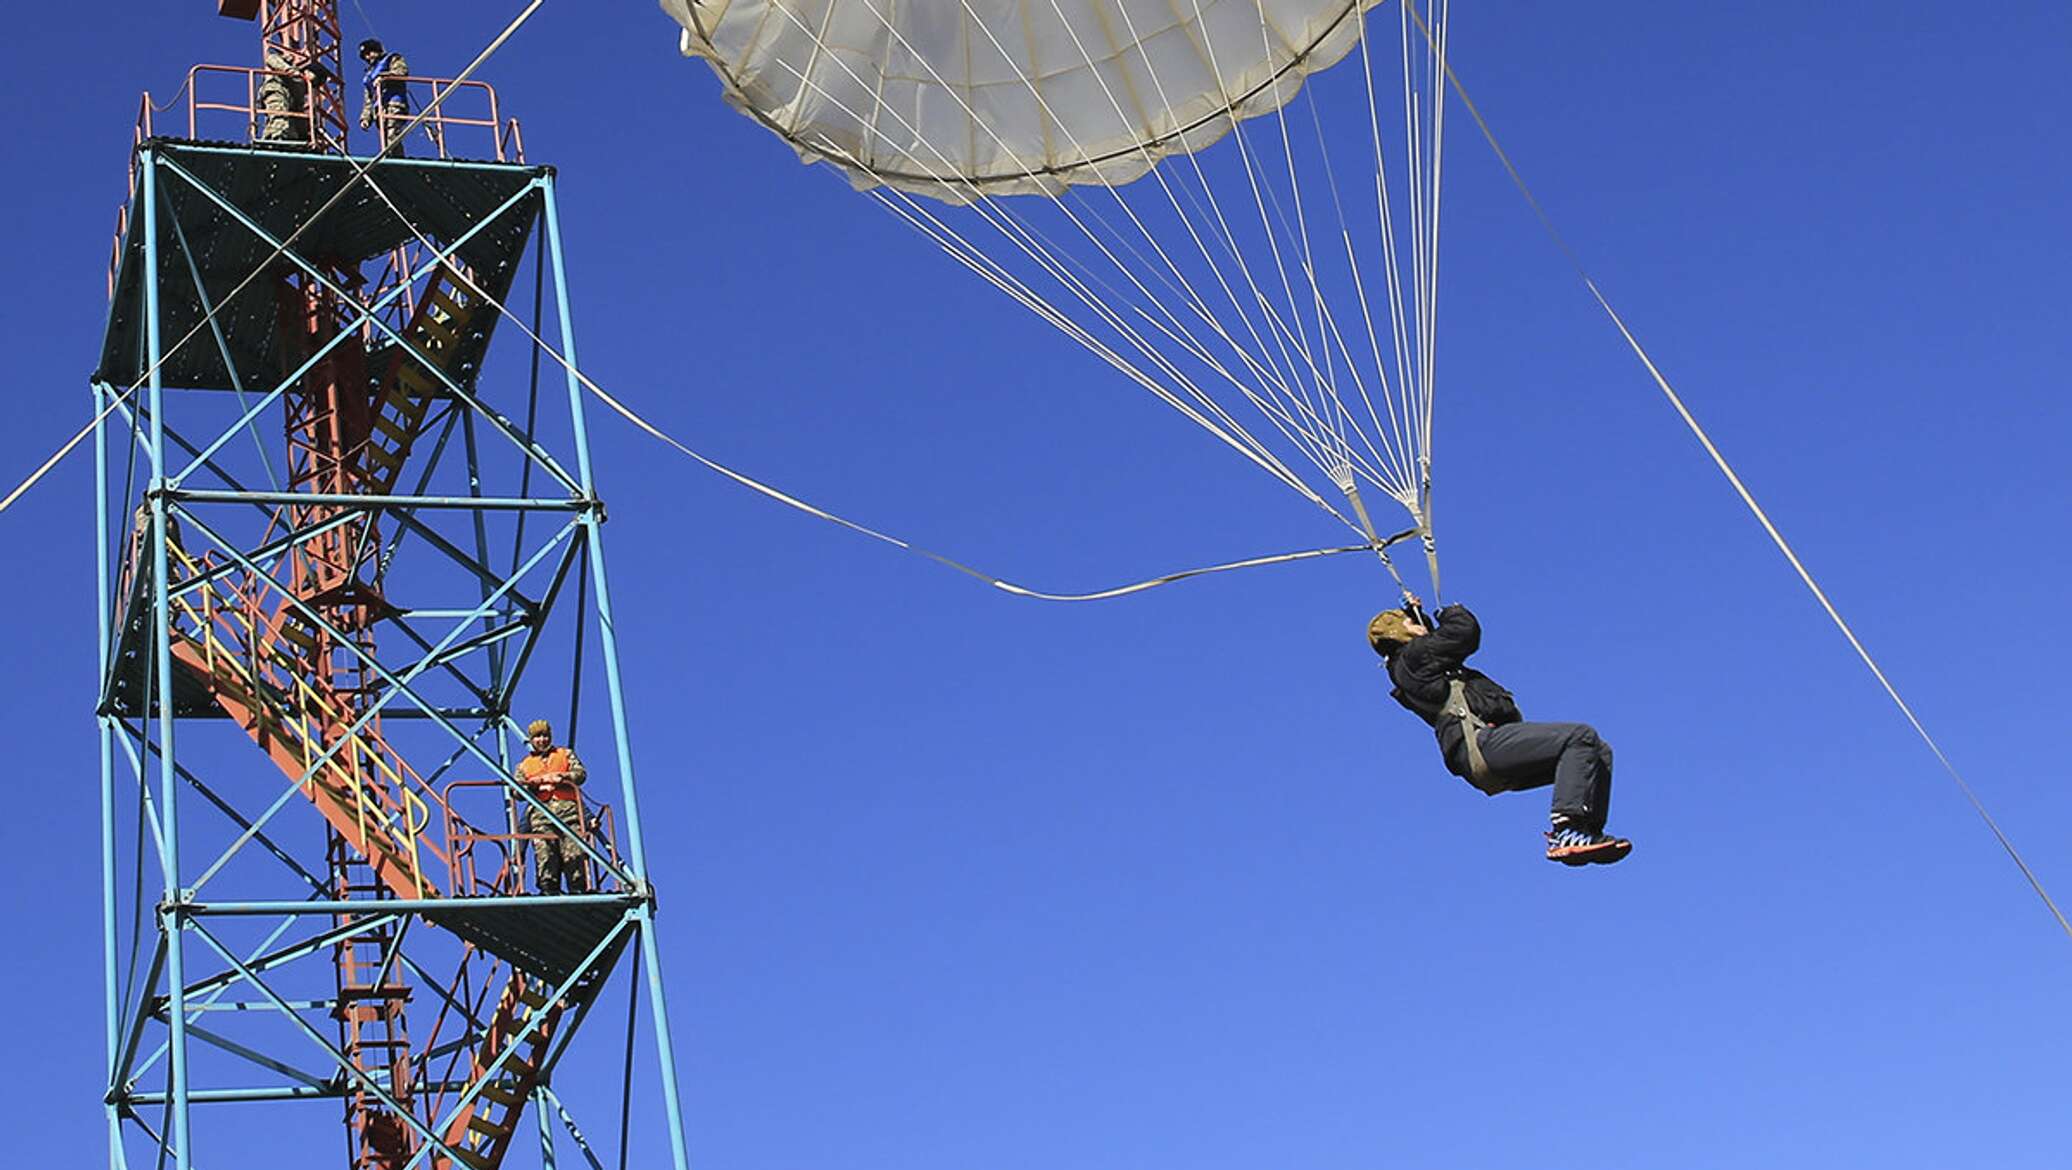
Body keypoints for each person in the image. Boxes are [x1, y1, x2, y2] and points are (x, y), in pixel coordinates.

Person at [1368, 600, 1632, 865]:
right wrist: (1449, 610)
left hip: (1488, 755)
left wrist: (1418, 614)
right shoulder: (1412, 659)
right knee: (1579, 736)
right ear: (1397, 633)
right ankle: (1567, 829)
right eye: (1411, 623)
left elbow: (1437, 642)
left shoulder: (1419, 665)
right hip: (1481, 746)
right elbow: (1463, 633)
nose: (1419, 626)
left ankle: (1585, 833)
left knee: (1597, 751)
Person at [515, 718, 589, 894]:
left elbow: (581, 774)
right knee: (545, 853)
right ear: (532, 740)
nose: (542, 740)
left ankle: (577, 888)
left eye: (545, 735)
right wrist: (534, 784)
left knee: (573, 852)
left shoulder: (565, 754)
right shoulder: (524, 765)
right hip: (541, 815)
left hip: (568, 812)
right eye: (538, 736)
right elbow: (516, 791)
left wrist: (563, 777)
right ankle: (549, 888)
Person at [357, 38, 415, 152]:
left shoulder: (391, 59)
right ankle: (391, 156)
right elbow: (368, 99)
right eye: (365, 56)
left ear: (377, 50)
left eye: (369, 53)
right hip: (380, 109)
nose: (368, 57)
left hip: (394, 103)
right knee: (385, 138)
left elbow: (402, 72)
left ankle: (397, 160)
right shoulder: (369, 76)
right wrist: (365, 118)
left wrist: (385, 77)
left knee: (392, 133)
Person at [256, 50, 308, 144]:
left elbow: (298, 109)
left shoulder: (301, 86)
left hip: (285, 97)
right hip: (276, 91)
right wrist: (289, 69)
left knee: (286, 124)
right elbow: (271, 59)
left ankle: (271, 138)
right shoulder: (291, 71)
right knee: (279, 116)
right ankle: (277, 139)